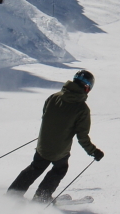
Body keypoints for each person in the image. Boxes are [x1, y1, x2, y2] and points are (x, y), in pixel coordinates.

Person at [8, 70, 102, 202]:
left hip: (43, 144)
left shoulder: (54, 97)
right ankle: (41, 197)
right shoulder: (81, 108)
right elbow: (82, 136)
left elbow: (46, 116)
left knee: (36, 167)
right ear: (86, 87)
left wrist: (53, 130)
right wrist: (94, 151)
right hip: (59, 149)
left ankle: (13, 194)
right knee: (60, 168)